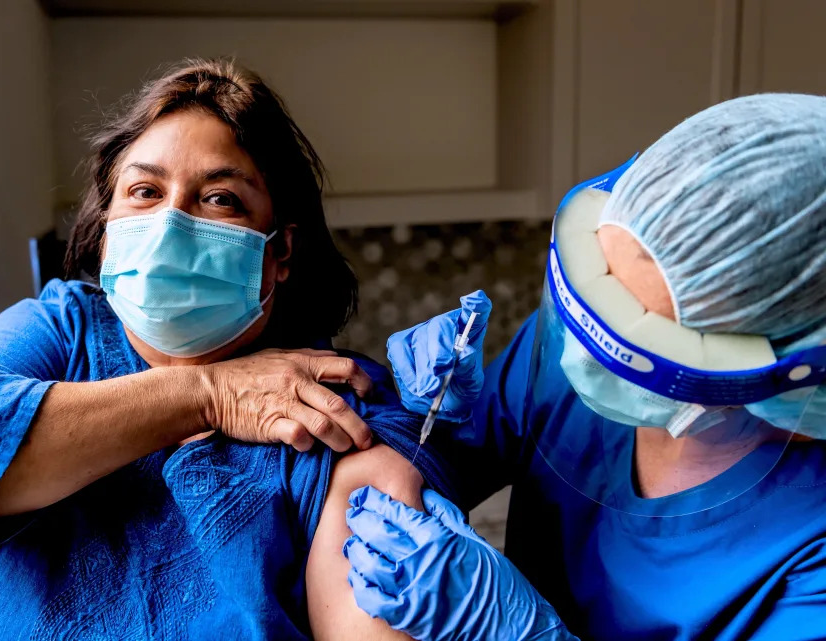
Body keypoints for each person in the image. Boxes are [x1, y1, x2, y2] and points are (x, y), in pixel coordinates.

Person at [0, 58, 466, 640]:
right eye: (145, 191)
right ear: (106, 231)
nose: (170, 222)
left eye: (220, 199)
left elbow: (372, 584)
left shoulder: (328, 402)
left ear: (279, 253)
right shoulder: (63, 330)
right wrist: (205, 395)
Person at [343, 93, 826, 640]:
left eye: (645, 337)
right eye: (604, 295)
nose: (587, 360)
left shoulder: (810, 554)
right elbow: (442, 460)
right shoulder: (591, 349)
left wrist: (523, 633)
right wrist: (445, 420)